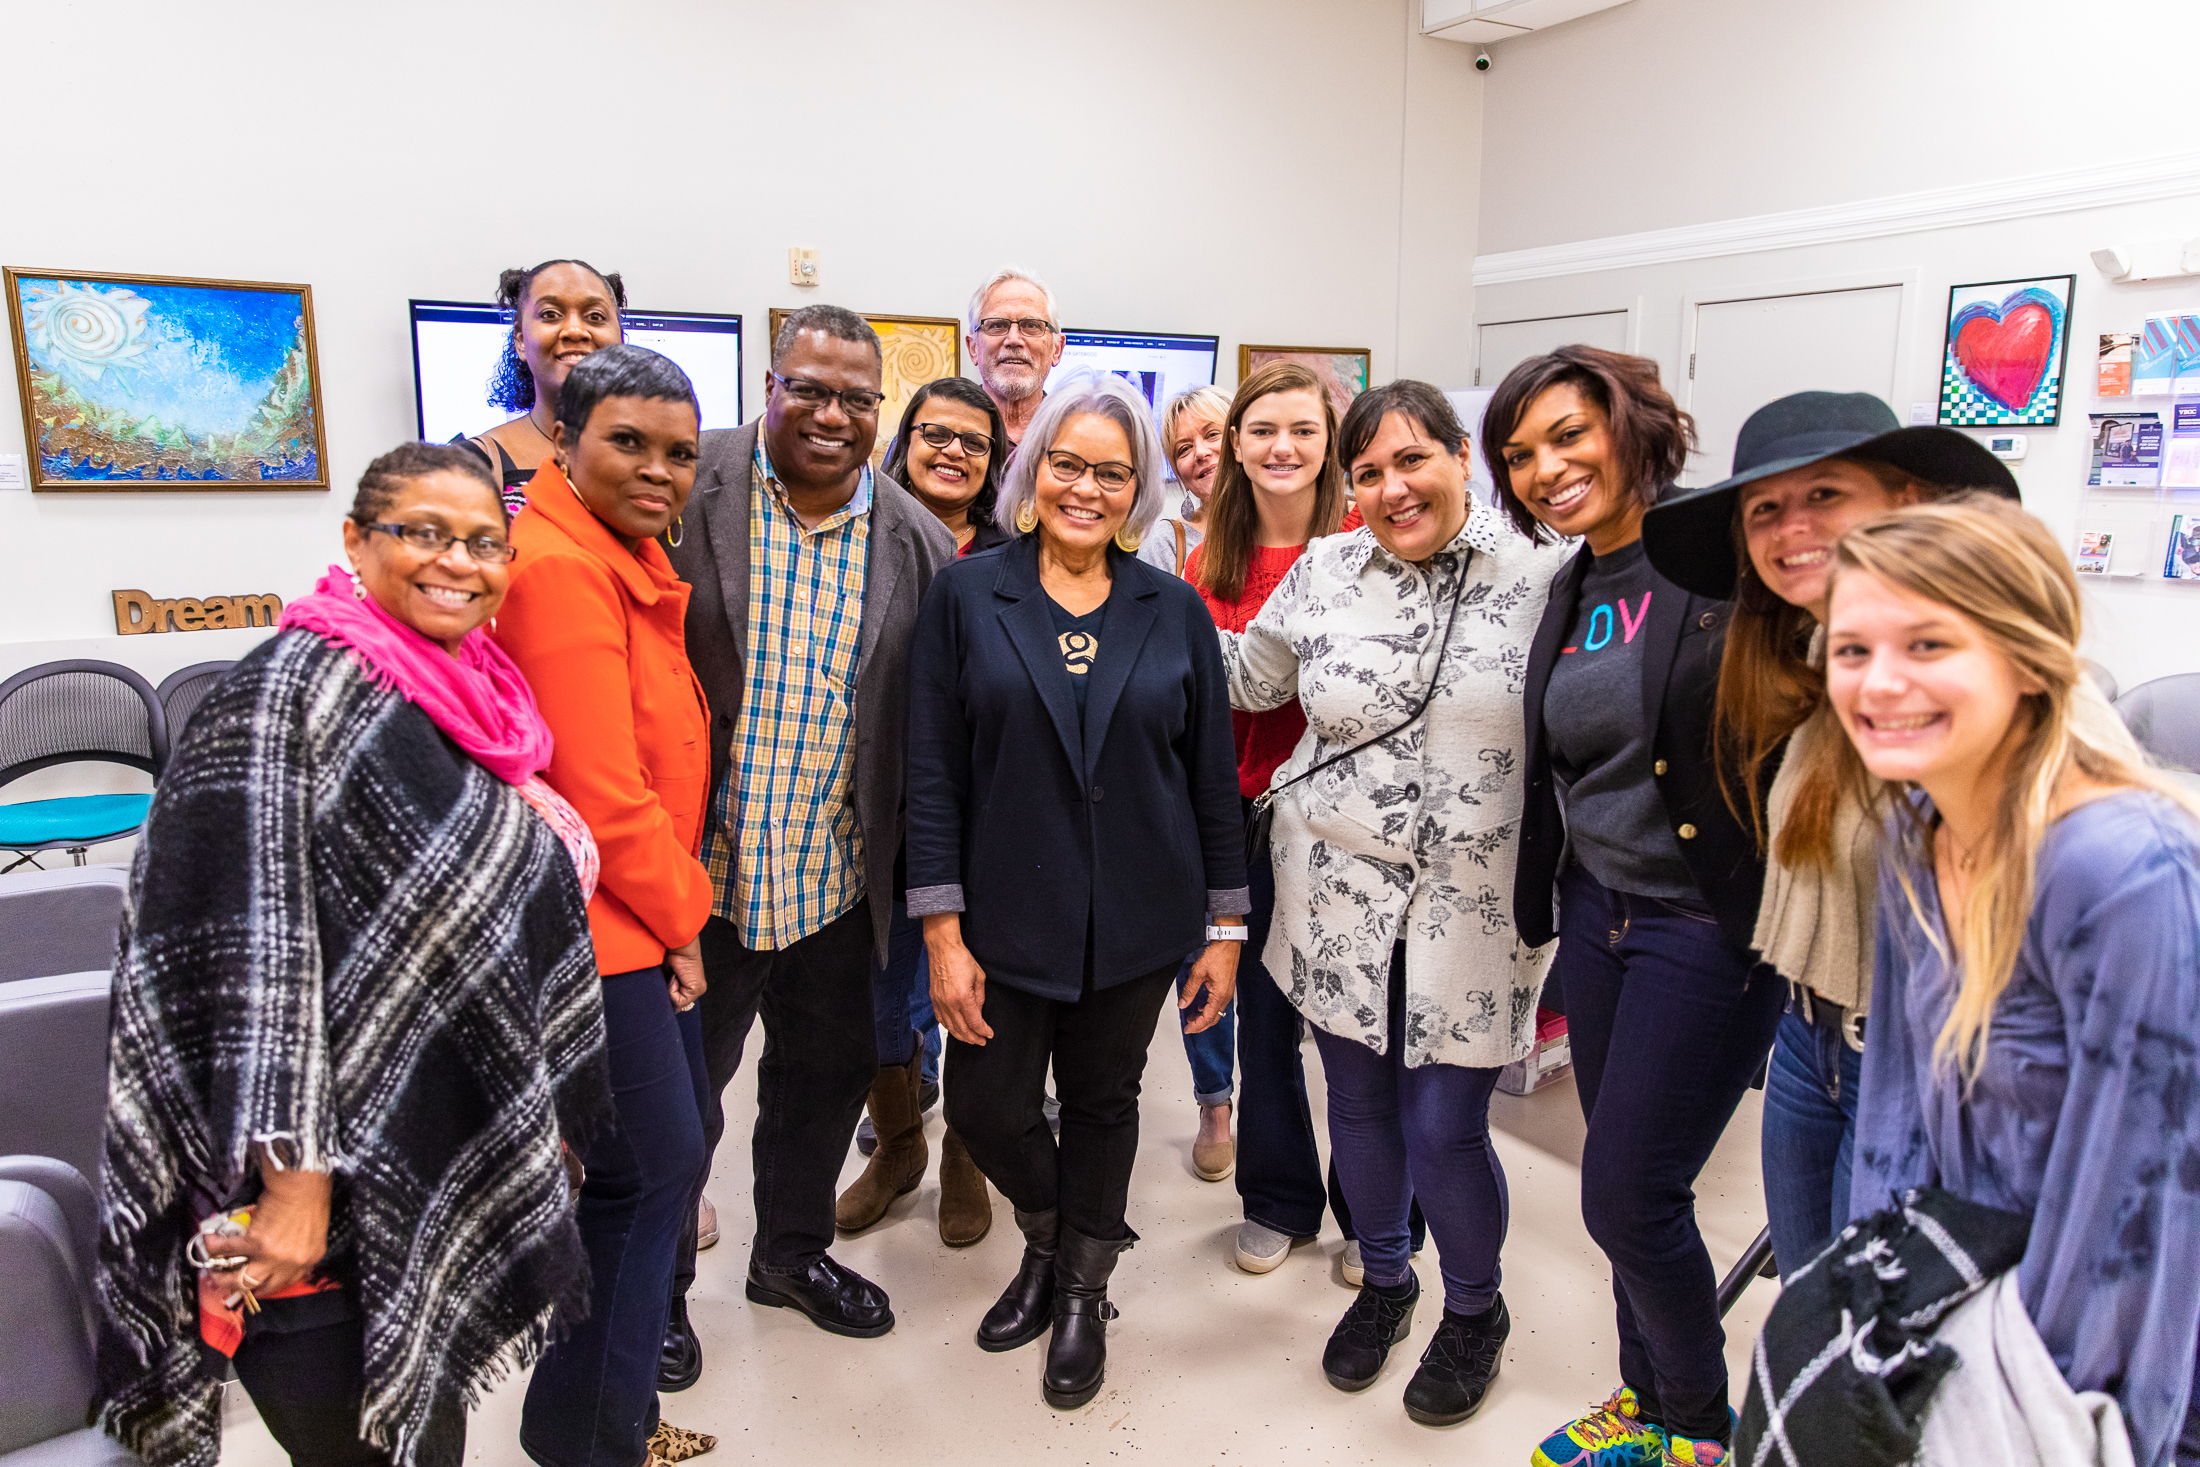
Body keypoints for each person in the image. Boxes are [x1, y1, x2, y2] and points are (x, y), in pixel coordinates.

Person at [92, 445, 608, 1467]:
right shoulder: (286, 699)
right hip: (317, 1216)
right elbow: (258, 973)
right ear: (355, 542)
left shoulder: (464, 687)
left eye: (482, 543)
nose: (456, 562)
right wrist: (295, 1191)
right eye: (422, 532)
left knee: (429, 1437)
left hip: (417, 1141)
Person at [1219, 379, 1572, 1426]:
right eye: (1366, 472)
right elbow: (1249, 682)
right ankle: (1385, 1284)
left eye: (1411, 461)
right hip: (1332, 890)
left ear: (1465, 458)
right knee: (1360, 1110)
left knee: (1444, 1128)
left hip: (1474, 905)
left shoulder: (1551, 574)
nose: (1388, 488)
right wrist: (1135, 589)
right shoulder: (1327, 568)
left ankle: (1474, 1313)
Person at [1825, 497, 2200, 1467]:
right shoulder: (1915, 825)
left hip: (2097, 1364)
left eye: (1928, 644)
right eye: (1850, 649)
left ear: (2028, 662)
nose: (1879, 683)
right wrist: (1877, 1295)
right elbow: (1896, 1100)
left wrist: (2043, 1414)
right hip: (1970, 1288)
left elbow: (2142, 1206)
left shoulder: (2120, 866)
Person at [905, 370, 1248, 1410]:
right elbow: (933, 770)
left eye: (1112, 471)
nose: (1086, 488)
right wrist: (941, 931)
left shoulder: (1171, 607)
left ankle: (1080, 1292)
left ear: (1138, 487)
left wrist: (1224, 922)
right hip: (1005, 915)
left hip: (1140, 916)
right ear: (1032, 468)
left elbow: (1208, 777)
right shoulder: (968, 593)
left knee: (1103, 1102)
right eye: (1067, 464)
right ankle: (1059, 1240)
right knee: (987, 1103)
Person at [1638, 391, 2018, 1281]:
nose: (1789, 526)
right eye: (1764, 508)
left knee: (1879, 1339)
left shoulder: (1978, 674)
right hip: (1809, 1038)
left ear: (1908, 502)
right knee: (1815, 1302)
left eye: (1825, 496)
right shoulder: (1804, 667)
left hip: (1920, 1063)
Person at [1498, 346, 1776, 1467]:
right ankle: (1644, 1400)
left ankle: (1700, 1429)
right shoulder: (1573, 582)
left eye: (1570, 436)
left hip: (1701, 928)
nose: (1545, 468)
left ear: (1633, 427)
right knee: (1631, 1185)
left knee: (1626, 1192)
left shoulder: (1719, 565)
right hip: (1600, 918)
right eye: (1520, 454)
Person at [662, 306, 957, 1359]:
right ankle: (656, 1293)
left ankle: (787, 1254)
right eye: (810, 389)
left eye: (857, 397)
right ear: (770, 386)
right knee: (672, 1104)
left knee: (822, 1080)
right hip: (697, 880)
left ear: (880, 409)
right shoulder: (691, 488)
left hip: (834, 879)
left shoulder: (917, 541)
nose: (832, 414)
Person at [491, 346, 719, 1464]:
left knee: (656, 1161)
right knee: (648, 1169)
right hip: (595, 925)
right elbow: (600, 790)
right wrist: (685, 919)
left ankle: (600, 1416)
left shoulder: (610, 553)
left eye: (679, 452)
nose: (658, 469)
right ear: (565, 444)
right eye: (627, 442)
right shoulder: (558, 569)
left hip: (627, 918)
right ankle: (589, 1436)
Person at [836, 376, 1016, 1248]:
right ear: (902, 441)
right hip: (877, 812)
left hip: (988, 819)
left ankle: (966, 1159)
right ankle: (901, 1144)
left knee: (974, 992)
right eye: (934, 433)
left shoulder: (1017, 556)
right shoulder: (860, 539)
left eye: (972, 442)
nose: (951, 451)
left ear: (994, 463)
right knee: (878, 1000)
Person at [1185, 363, 1359, 1257]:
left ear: (1331, 444)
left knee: (1357, 1033)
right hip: (1243, 819)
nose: (1282, 447)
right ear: (1236, 445)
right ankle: (1281, 1199)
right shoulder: (1207, 558)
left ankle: (1377, 1214)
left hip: (1347, 826)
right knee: (1264, 1020)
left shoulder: (1370, 541)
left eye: (1303, 429)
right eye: (1262, 430)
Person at [462, 259, 626, 515]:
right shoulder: (471, 465)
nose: (575, 331)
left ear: (620, 339)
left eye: (595, 316)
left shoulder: (658, 462)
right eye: (550, 315)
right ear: (520, 342)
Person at [1135, 384, 1230, 577]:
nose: (1200, 453)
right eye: (1184, 449)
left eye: (1212, 435)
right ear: (1179, 476)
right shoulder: (1166, 542)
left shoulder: (1284, 528)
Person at [965, 267, 1064, 448]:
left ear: (1057, 349)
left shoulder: (1075, 434)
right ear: (973, 348)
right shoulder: (942, 434)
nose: (1013, 340)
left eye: (1032, 325)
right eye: (996, 325)